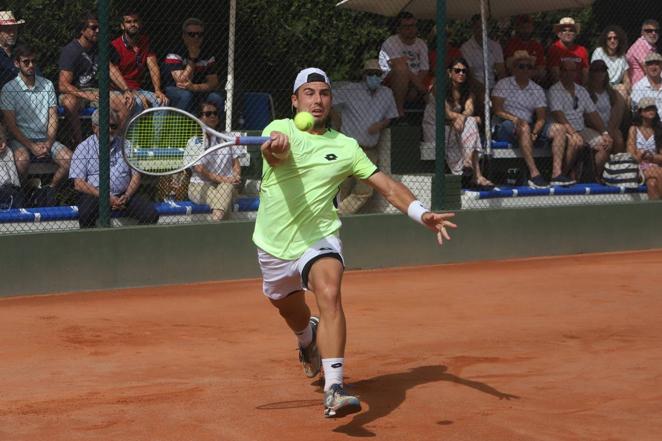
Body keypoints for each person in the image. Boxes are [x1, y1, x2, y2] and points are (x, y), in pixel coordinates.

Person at [254, 67, 456, 418]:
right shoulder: (278, 130)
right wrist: (277, 149)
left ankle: (334, 388)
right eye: (309, 93)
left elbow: (386, 185)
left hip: (318, 237)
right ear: (295, 100)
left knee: (329, 292)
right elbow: (275, 155)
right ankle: (307, 339)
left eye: (324, 93)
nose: (317, 100)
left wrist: (421, 213)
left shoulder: (346, 147)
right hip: (273, 245)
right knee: (290, 310)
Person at [69, 109, 158, 228]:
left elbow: (136, 176)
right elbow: (78, 183)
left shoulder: (126, 145)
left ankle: (135, 243)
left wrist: (126, 196)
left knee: (151, 214)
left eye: (113, 126)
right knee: (85, 214)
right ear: (94, 128)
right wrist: (106, 197)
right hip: (96, 195)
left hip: (124, 194)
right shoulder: (83, 148)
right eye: (106, 126)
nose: (110, 130)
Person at [331, 59, 398, 214]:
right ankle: (336, 220)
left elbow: (391, 116)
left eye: (377, 74)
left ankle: (338, 215)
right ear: (364, 75)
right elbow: (328, 102)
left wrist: (380, 125)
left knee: (365, 190)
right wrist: (337, 120)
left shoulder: (386, 93)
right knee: (342, 186)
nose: (374, 77)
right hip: (348, 148)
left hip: (370, 150)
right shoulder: (351, 90)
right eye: (370, 74)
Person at [0, 44, 72, 188]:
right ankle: (26, 192)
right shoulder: (8, 89)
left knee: (70, 159)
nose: (31, 65)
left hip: (46, 139)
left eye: (34, 61)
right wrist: (31, 146)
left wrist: (49, 143)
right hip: (20, 140)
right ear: (17, 63)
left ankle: (48, 190)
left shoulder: (48, 85)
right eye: (26, 62)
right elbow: (11, 126)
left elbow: (53, 118)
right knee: (21, 161)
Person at [58, 11, 133, 146]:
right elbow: (63, 85)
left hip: (95, 92)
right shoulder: (71, 50)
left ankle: (115, 143)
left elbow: (111, 69)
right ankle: (79, 145)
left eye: (99, 28)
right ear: (82, 30)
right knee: (70, 102)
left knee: (124, 102)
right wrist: (86, 95)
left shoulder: (100, 48)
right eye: (93, 28)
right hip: (74, 92)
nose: (97, 31)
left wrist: (126, 90)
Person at [492, 50, 565, 188]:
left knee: (559, 129)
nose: (525, 69)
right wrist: (516, 120)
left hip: (529, 126)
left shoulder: (536, 89)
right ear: (513, 68)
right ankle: (534, 174)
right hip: (506, 125)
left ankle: (556, 173)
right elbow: (497, 110)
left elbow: (541, 117)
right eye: (521, 66)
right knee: (524, 126)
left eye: (529, 67)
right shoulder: (503, 84)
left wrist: (535, 132)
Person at [422, 58, 492, 188]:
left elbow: (469, 109)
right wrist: (461, 118)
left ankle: (468, 164)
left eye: (464, 71)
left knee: (470, 122)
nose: (461, 74)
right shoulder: (439, 87)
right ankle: (476, 175)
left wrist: (462, 117)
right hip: (435, 126)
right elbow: (446, 113)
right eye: (457, 70)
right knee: (471, 122)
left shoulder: (468, 89)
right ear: (449, 72)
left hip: (456, 126)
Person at [548, 60, 613, 185]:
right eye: (565, 70)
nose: (568, 74)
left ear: (576, 73)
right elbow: (558, 115)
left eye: (572, 70)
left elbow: (593, 114)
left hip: (581, 128)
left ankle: (592, 178)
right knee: (575, 142)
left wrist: (605, 133)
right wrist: (573, 133)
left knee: (605, 144)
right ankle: (562, 175)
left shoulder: (581, 90)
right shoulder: (554, 90)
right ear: (560, 72)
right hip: (563, 128)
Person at [184, 101, 241, 221]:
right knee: (224, 196)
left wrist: (236, 175)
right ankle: (218, 228)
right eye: (208, 113)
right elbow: (199, 170)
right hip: (199, 186)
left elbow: (235, 162)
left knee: (226, 189)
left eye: (215, 113)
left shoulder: (227, 138)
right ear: (200, 118)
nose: (213, 116)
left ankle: (215, 223)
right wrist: (225, 179)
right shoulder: (194, 141)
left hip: (226, 185)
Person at [110, 10, 169, 114]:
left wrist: (157, 90)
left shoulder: (145, 42)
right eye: (128, 22)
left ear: (140, 24)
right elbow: (113, 74)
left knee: (162, 102)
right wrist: (131, 92)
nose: (133, 24)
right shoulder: (114, 46)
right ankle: (133, 131)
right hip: (119, 90)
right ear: (122, 26)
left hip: (137, 89)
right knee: (136, 102)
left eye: (135, 21)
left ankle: (157, 131)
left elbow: (153, 67)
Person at [161, 17, 223, 113]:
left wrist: (194, 87)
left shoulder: (207, 54)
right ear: (184, 36)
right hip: (173, 89)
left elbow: (213, 82)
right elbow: (182, 81)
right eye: (192, 34)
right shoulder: (174, 53)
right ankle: (180, 126)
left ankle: (216, 128)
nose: (196, 37)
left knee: (216, 98)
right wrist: (192, 59)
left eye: (200, 34)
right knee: (186, 95)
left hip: (197, 89)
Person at [378, 12, 429, 117]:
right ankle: (399, 111)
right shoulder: (391, 42)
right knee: (401, 69)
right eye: (406, 26)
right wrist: (420, 87)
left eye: (413, 25)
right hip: (391, 79)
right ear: (398, 29)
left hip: (414, 81)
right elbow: (399, 66)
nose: (411, 29)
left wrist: (415, 87)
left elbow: (424, 69)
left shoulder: (421, 43)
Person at [586, 60, 626, 153]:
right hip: (593, 127)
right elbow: (587, 117)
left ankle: (616, 163)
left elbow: (616, 115)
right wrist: (603, 131)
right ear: (591, 73)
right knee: (604, 142)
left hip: (610, 126)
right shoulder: (585, 93)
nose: (600, 73)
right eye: (596, 70)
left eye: (603, 70)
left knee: (618, 139)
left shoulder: (613, 93)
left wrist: (609, 130)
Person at [627, 97, 662, 199]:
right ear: (641, 112)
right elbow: (631, 155)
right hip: (638, 167)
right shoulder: (633, 129)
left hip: (656, 166)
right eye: (647, 109)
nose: (651, 111)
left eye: (653, 108)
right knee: (656, 172)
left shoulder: (659, 130)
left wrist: (651, 157)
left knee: (652, 183)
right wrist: (640, 155)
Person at [459, 14, 505, 91]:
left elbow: (501, 70)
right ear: (472, 28)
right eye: (477, 27)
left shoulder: (496, 46)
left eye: (483, 27)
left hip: (493, 84)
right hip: (474, 85)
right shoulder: (466, 47)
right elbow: (470, 74)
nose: (481, 29)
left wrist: (499, 88)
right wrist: (483, 89)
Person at [503, 15, 546, 84]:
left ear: (532, 28)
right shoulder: (511, 44)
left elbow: (541, 71)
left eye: (528, 27)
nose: (526, 30)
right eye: (523, 27)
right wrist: (529, 72)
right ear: (517, 28)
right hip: (513, 82)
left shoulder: (537, 46)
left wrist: (522, 72)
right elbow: (509, 69)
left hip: (533, 83)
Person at [591, 25, 630, 98]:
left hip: (617, 87)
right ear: (605, 41)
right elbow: (595, 75)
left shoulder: (622, 56)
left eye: (615, 38)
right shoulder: (599, 52)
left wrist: (628, 91)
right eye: (609, 38)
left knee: (626, 95)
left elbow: (626, 78)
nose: (612, 40)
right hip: (601, 85)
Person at [547, 17, 589, 85]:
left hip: (579, 88)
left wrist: (582, 89)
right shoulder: (554, 49)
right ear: (559, 34)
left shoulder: (582, 50)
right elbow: (555, 75)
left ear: (575, 34)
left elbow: (585, 74)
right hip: (560, 88)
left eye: (571, 30)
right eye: (564, 30)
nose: (568, 33)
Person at [626, 19, 660, 86]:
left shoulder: (651, 46)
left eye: (656, 31)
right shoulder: (640, 45)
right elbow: (649, 69)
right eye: (649, 31)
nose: (653, 33)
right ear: (642, 32)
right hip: (640, 85)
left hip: (649, 82)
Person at [0, 124, 23, 209]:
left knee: (8, 152)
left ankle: (13, 188)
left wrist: (2, 141)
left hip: (7, 187)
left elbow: (2, 130)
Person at [0, 11, 24, 90]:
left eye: (14, 29)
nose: (12, 33)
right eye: (8, 30)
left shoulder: (23, 51)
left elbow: (37, 75)